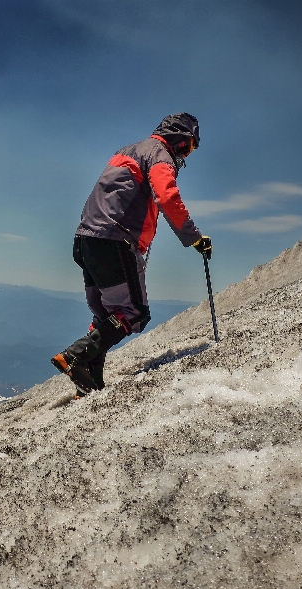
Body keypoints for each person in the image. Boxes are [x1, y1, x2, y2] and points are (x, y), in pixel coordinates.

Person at [51, 113, 212, 396]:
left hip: (86, 240)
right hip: (114, 241)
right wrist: (194, 238)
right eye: (189, 146)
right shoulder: (159, 153)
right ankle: (75, 355)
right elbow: (167, 195)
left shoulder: (127, 151)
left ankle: (91, 381)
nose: (187, 154)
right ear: (178, 138)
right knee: (134, 312)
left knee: (106, 316)